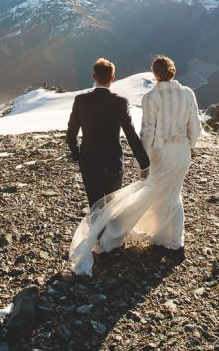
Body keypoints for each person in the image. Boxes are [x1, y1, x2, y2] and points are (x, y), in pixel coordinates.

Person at [69, 55, 202, 275]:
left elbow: (146, 132)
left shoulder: (151, 97)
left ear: (155, 74)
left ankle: (104, 243)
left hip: (155, 152)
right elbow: (194, 127)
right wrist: (189, 146)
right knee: (172, 195)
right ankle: (173, 241)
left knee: (104, 201)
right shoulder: (188, 94)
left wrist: (147, 160)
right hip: (180, 152)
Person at [66, 58, 150, 208]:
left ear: (94, 77)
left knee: (95, 205)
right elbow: (131, 135)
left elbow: (71, 133)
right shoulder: (120, 102)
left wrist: (77, 155)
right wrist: (144, 163)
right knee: (112, 205)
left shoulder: (80, 101)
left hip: (89, 161)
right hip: (113, 161)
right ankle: (111, 231)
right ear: (113, 78)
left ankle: (96, 231)